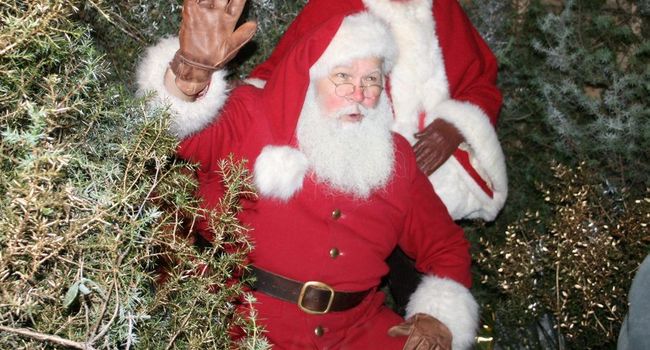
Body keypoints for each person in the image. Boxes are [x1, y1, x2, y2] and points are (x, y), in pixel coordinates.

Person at [136, 1, 478, 349]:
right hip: (236, 324)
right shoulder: (252, 114)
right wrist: (188, 77)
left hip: (355, 333)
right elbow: (179, 136)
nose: (359, 93)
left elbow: (445, 245)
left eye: (371, 80)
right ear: (312, 75)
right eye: (342, 76)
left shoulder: (396, 159)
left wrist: (439, 316)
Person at [245, 0, 509, 311]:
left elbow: (479, 82)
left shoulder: (441, 8)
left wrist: (455, 126)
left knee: (428, 301)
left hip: (425, 187)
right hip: (346, 180)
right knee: (337, 299)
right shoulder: (334, 5)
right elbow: (283, 73)